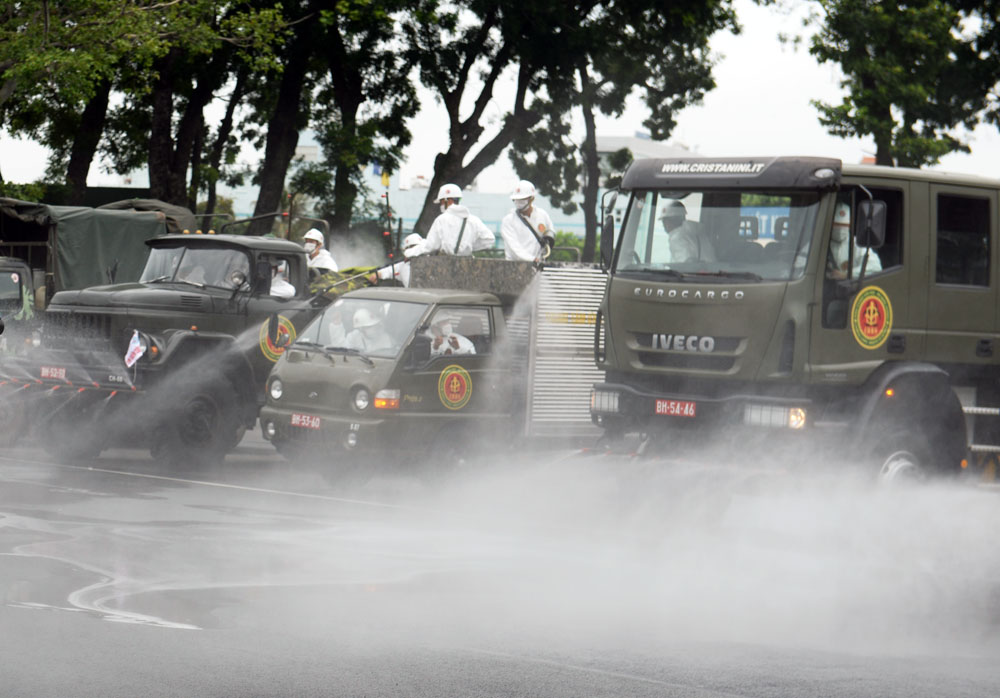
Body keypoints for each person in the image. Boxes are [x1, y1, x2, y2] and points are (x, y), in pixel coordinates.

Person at [417, 183, 495, 256]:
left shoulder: (441, 219)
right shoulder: (473, 220)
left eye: (441, 202)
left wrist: (412, 251)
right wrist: (468, 246)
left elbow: (431, 246)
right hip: (466, 263)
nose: (441, 205)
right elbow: (489, 240)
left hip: (445, 262)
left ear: (447, 200)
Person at [499, 180, 556, 262]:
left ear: (532, 198)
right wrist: (531, 259)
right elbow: (514, 246)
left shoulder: (542, 215)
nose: (518, 202)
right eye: (516, 199)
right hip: (514, 266)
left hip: (537, 265)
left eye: (522, 199)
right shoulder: (508, 221)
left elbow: (550, 234)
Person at [828, 202, 882, 279]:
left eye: (844, 226)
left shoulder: (857, 243)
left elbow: (875, 267)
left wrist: (848, 274)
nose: (840, 229)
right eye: (837, 225)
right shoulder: (820, 243)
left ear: (849, 226)